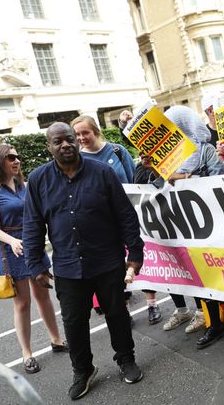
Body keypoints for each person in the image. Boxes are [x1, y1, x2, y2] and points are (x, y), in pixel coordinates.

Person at [23, 123, 144, 400]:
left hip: (107, 262)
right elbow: (32, 224)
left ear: (76, 142)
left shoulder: (102, 172)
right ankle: (83, 370)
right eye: (58, 141)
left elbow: (125, 214)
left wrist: (135, 254)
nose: (65, 144)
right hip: (67, 267)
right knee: (74, 323)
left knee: (117, 314)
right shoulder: (39, 180)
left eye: (69, 139)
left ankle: (126, 358)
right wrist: (37, 266)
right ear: (49, 147)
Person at [162, 106, 224, 353]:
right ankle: (215, 324)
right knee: (203, 278)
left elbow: (218, 180)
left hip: (214, 221)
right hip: (187, 225)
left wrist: (183, 178)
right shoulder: (168, 157)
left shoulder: (206, 150)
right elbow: (161, 188)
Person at [0, 144, 68, 375]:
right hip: (10, 251)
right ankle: (27, 353)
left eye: (17, 156)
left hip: (32, 243)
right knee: (22, 303)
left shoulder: (25, 185)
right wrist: (11, 241)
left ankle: (57, 340)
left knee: (43, 295)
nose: (16, 160)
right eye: (10, 157)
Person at [69, 115, 160, 325]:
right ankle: (124, 309)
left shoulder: (117, 151)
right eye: (77, 134)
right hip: (103, 224)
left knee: (143, 258)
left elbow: (133, 182)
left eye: (85, 133)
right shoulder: (78, 161)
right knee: (115, 268)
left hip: (128, 216)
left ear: (96, 131)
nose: (82, 138)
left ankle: (152, 304)